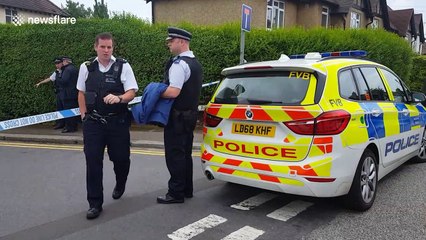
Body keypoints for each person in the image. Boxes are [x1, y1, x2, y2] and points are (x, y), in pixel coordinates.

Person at [77, 32, 139, 219]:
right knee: (93, 162)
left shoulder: (123, 65)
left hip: (117, 122)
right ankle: (95, 203)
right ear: (95, 47)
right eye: (102, 47)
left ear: (112, 48)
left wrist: (119, 97)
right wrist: (83, 116)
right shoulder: (86, 67)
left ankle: (121, 182)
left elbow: (131, 92)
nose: (106, 50)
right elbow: (81, 92)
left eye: (109, 47)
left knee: (121, 159)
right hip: (93, 123)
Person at [157, 27, 203, 204]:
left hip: (176, 118)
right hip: (190, 117)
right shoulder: (195, 63)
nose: (169, 44)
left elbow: (173, 92)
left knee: (175, 155)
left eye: (172, 41)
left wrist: (156, 92)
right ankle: (186, 189)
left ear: (182, 42)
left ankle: (175, 193)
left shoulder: (179, 64)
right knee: (185, 154)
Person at [35, 57, 65, 130]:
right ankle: (60, 124)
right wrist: (40, 83)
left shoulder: (66, 71)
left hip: (65, 93)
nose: (57, 65)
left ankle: (67, 125)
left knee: (66, 109)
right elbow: (50, 79)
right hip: (59, 93)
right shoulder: (57, 72)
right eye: (56, 64)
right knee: (60, 109)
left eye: (58, 63)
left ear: (62, 63)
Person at [56, 56, 79, 133]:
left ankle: (69, 127)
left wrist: (57, 75)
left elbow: (63, 81)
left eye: (62, 61)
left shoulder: (67, 70)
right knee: (72, 111)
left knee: (68, 111)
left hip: (67, 94)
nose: (61, 63)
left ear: (66, 61)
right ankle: (73, 126)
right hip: (74, 93)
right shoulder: (75, 69)